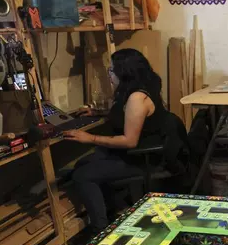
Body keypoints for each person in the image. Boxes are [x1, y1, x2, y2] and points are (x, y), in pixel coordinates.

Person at [64, 49, 165, 232]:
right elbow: (129, 116)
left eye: (112, 70)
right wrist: (98, 113)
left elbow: (129, 141)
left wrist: (90, 138)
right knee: (83, 163)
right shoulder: (139, 88)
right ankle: (113, 210)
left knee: (82, 175)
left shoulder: (137, 97)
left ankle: (100, 229)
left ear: (124, 72)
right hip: (134, 154)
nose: (109, 74)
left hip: (141, 158)